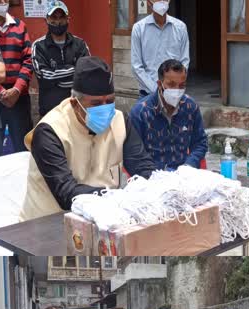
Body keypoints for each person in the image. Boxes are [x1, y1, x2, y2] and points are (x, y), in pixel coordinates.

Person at [18, 56, 155, 222]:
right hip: (47, 226)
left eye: (110, 101)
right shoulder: (49, 131)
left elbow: (143, 167)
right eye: (96, 103)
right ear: (75, 104)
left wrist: (157, 186)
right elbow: (66, 193)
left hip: (104, 219)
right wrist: (118, 197)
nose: (105, 109)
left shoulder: (120, 121)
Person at [130, 59, 207, 172]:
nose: (176, 90)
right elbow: (135, 154)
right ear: (160, 84)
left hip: (184, 175)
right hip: (152, 177)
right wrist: (161, 174)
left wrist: (189, 166)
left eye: (181, 86)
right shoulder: (140, 112)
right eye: (171, 85)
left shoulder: (190, 107)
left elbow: (200, 143)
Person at [0, 0, 33, 154]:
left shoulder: (20, 26)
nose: (3, 2)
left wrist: (17, 89)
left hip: (19, 97)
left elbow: (28, 60)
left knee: (24, 149)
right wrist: (0, 91)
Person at [31, 1, 90, 117]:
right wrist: (74, 69)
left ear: (68, 19)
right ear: (46, 20)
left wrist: (58, 78)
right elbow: (44, 75)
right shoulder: (38, 46)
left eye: (61, 17)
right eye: (53, 17)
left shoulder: (80, 44)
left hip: (77, 109)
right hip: (50, 112)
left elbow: (86, 72)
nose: (58, 22)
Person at [131, 0, 189, 98]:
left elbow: (184, 61)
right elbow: (136, 66)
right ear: (149, 2)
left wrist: (175, 86)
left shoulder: (180, 27)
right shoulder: (139, 29)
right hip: (148, 94)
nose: (161, 1)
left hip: (175, 93)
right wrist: (156, 89)